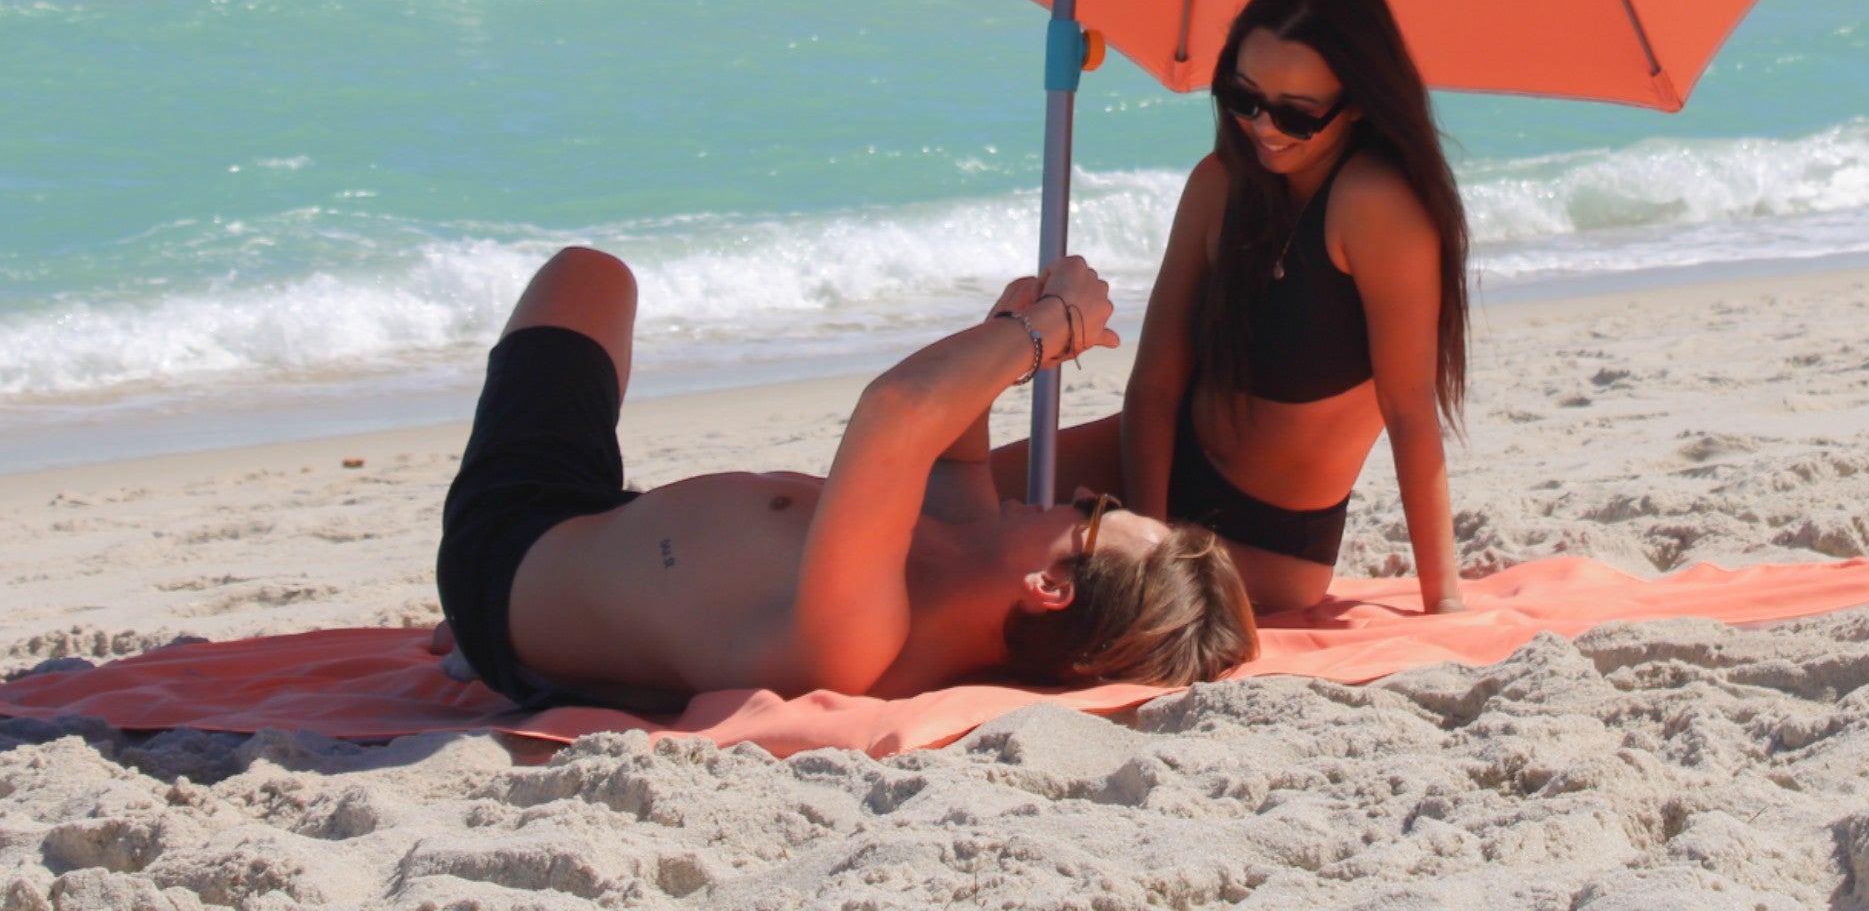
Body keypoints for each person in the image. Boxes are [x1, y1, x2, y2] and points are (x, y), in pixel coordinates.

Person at [433, 245, 1257, 711]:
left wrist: (1045, 330)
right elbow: (950, 444)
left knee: (587, 273)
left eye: (1097, 513)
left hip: (511, 550)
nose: (1082, 493)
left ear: (1050, 585)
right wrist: (1001, 332)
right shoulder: (963, 538)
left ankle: (480, 639)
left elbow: (895, 413)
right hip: (610, 537)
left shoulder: (864, 645)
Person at [994, 0, 1471, 615]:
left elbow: (1411, 411)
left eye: (1295, 113)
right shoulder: (1218, 184)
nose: (1264, 127)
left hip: (1265, 538)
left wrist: (1443, 601)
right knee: (930, 505)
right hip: (1153, 465)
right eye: (1243, 98)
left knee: (990, 574)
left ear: (1357, 101)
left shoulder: (1375, 205)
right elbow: (1155, 387)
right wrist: (1152, 535)